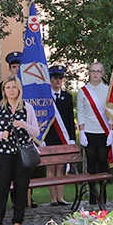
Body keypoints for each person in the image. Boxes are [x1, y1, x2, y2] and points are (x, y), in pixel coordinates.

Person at [0, 76, 39, 225]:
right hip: (3, 153)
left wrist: (25, 125)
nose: (11, 90)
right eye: (8, 87)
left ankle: (18, 220)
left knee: (21, 187)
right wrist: (1, 135)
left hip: (22, 154)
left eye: (14, 87)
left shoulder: (27, 108)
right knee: (1, 187)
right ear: (4, 90)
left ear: (19, 89)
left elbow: (36, 131)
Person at [77, 61, 113, 207]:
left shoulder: (107, 89)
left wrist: (111, 130)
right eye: (93, 71)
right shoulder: (83, 91)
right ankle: (92, 194)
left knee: (103, 162)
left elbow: (111, 111)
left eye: (98, 71)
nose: (95, 74)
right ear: (89, 73)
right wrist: (82, 131)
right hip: (89, 132)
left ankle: (103, 195)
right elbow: (80, 112)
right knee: (91, 163)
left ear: (102, 73)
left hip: (103, 131)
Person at [43, 66, 75, 206]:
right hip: (49, 137)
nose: (58, 81)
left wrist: (72, 138)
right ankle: (53, 198)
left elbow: (69, 119)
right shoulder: (44, 97)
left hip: (63, 137)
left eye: (60, 78)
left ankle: (60, 197)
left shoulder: (67, 97)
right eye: (55, 78)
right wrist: (41, 138)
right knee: (50, 167)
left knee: (61, 167)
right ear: (50, 79)